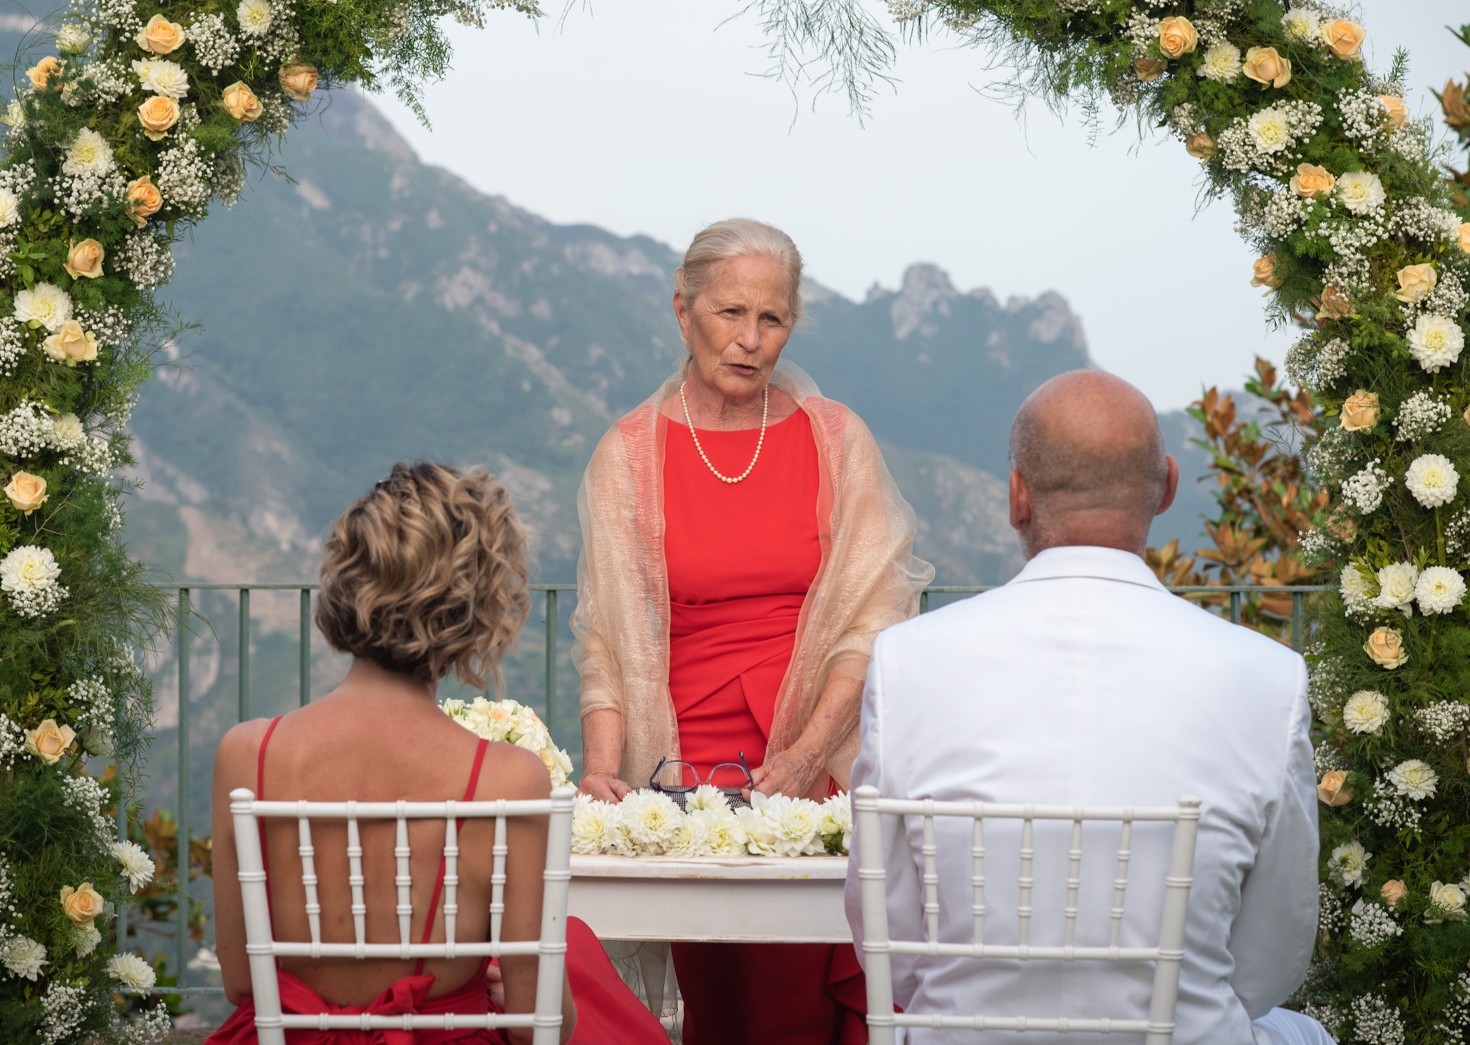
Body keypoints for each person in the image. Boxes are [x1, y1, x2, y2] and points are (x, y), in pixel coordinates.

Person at [845, 370, 1332, 1045]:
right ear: (1165, 486)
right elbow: (1270, 959)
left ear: (1018, 497)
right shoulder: (1267, 677)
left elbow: (889, 945)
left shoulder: (908, 660)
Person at [574, 218, 934, 1045]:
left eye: (771, 319)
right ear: (682, 309)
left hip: (820, 744)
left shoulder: (837, 438)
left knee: (815, 996)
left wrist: (807, 756)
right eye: (729, 313)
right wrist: (602, 770)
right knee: (730, 1006)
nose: (749, 339)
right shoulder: (626, 454)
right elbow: (609, 640)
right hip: (686, 767)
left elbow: (873, 618)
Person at [207, 463, 665, 1045]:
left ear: (345, 581)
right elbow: (535, 1026)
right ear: (477, 610)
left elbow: (242, 984)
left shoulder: (246, 755)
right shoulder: (507, 778)